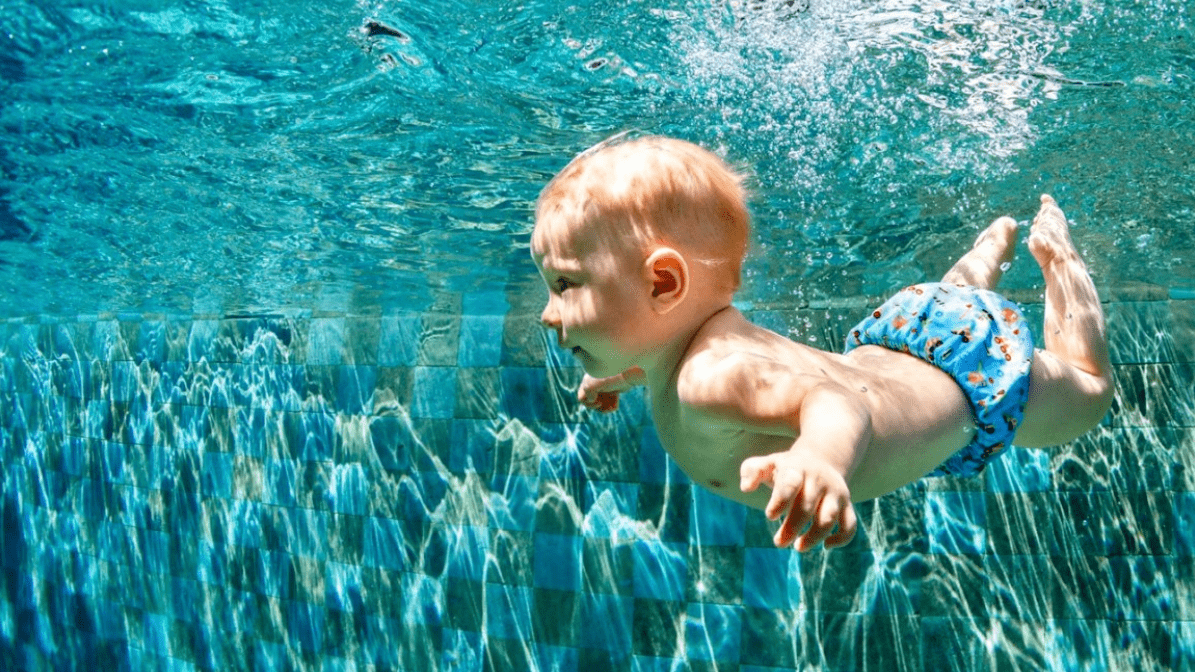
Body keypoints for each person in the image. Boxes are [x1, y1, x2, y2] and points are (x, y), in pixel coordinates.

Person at [529, 135, 1114, 552]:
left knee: (1086, 394)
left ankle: (1057, 260)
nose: (546, 314)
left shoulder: (710, 375)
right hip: (911, 339)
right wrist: (623, 371)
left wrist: (820, 459)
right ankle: (983, 259)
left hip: (972, 381)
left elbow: (837, 403)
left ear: (663, 283)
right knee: (956, 303)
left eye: (563, 285)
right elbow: (666, 356)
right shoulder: (679, 352)